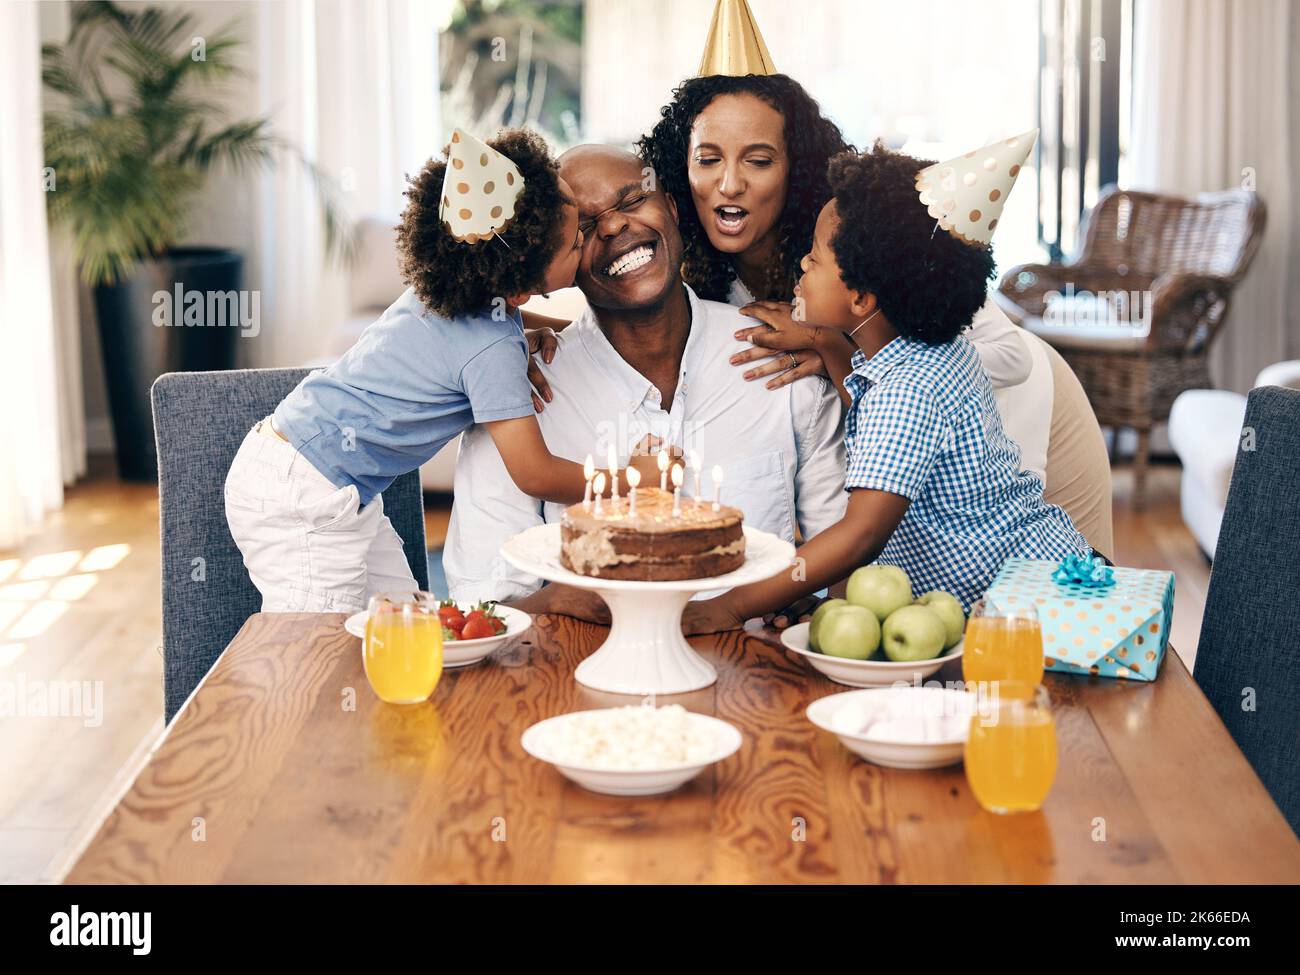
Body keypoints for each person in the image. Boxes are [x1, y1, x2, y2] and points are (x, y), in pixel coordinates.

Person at [224, 128, 656, 613]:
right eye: (576, 240)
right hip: (304, 496)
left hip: (318, 474)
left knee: (404, 623)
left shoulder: (453, 295)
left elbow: (488, 332)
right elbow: (534, 473)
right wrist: (635, 479)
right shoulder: (490, 350)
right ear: (521, 281)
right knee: (316, 651)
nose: (587, 239)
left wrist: (533, 331)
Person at [682, 142, 1091, 633]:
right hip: (1031, 574)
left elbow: (860, 535)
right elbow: (877, 423)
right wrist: (825, 344)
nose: (802, 270)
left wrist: (733, 604)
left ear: (859, 296)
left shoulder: (907, 391)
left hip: (1034, 610)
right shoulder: (933, 353)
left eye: (813, 260)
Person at [442, 145, 848, 613]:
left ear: (671, 208)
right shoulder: (519, 394)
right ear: (556, 258)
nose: (614, 226)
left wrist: (811, 609)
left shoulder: (783, 362)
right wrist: (571, 597)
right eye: (587, 227)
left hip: (751, 675)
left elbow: (843, 567)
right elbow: (486, 609)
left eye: (633, 200)